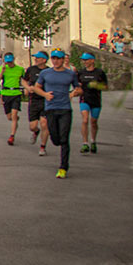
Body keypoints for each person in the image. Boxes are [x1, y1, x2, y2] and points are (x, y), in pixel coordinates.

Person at [34, 49, 82, 178]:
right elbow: (36, 88)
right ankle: (57, 142)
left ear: (63, 59)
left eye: (58, 58)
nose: (55, 61)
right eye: (53, 58)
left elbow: (78, 88)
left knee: (64, 139)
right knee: (55, 139)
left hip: (65, 109)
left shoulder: (70, 74)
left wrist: (75, 92)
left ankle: (63, 167)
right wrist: (45, 94)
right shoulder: (45, 73)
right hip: (50, 109)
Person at [76, 52, 108, 154]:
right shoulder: (81, 73)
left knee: (93, 122)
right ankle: (85, 143)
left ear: (92, 60)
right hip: (84, 99)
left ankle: (93, 141)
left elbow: (105, 87)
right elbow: (77, 86)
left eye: (86, 60)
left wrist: (96, 85)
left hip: (96, 100)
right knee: (85, 120)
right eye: (83, 60)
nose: (84, 62)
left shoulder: (99, 73)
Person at [21, 50, 51, 156]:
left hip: (45, 100)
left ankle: (43, 147)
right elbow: (23, 81)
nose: (36, 59)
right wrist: (27, 87)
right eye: (35, 58)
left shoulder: (49, 71)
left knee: (44, 124)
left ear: (44, 60)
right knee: (32, 126)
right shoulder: (31, 70)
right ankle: (35, 132)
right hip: (33, 100)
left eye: (38, 58)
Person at [0, 53, 24, 145]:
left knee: (14, 114)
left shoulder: (20, 69)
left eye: (10, 62)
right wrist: (2, 71)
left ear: (14, 60)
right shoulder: (2, 69)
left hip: (16, 93)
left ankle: (12, 136)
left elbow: (23, 80)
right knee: (9, 117)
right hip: (6, 93)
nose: (9, 64)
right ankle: (14, 120)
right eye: (7, 62)